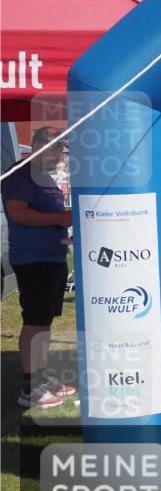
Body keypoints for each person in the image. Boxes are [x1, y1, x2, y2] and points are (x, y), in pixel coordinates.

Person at [1, 126, 77, 408]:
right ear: (39, 146)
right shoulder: (21, 173)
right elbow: (18, 213)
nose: (61, 155)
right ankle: (29, 388)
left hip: (52, 257)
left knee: (44, 322)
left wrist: (64, 228)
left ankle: (41, 378)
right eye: (57, 148)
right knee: (34, 321)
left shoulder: (44, 176)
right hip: (33, 260)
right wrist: (60, 218)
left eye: (63, 149)